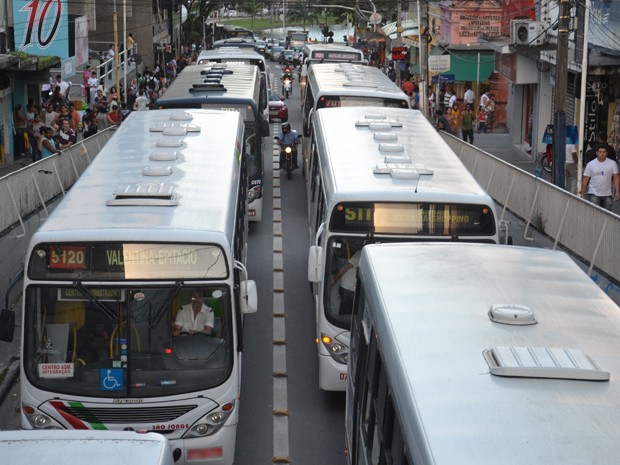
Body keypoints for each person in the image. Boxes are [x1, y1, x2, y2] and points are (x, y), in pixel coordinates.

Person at [580, 144, 620, 211]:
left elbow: (616, 178)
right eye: (600, 152)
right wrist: (582, 193)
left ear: (606, 153)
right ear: (597, 153)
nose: (602, 154)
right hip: (594, 193)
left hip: (607, 194)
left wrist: (617, 192)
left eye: (604, 152)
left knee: (607, 215)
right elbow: (585, 179)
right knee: (595, 214)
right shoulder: (590, 164)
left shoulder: (612, 163)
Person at [331, 250, 361, 315]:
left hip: (355, 289)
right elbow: (346, 267)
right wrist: (334, 279)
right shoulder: (361, 254)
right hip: (348, 288)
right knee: (345, 311)